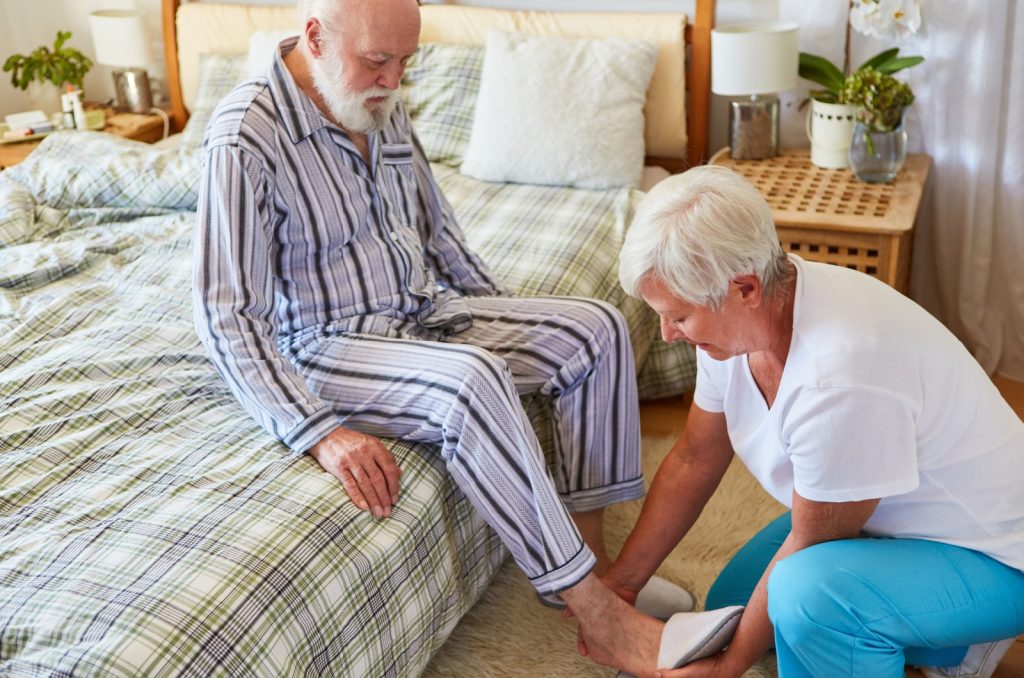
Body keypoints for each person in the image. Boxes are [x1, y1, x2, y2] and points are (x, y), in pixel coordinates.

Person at [191, 0, 695, 672]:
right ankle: (595, 613)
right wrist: (319, 432)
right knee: (471, 378)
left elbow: (441, 238)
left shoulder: (381, 99)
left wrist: (513, 324)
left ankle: (596, 563)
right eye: (378, 59)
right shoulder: (244, 136)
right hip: (326, 344)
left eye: (407, 60)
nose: (394, 79)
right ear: (314, 36)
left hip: (421, 310)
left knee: (593, 329)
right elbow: (226, 312)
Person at [610, 165, 1024, 677]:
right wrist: (621, 586)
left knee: (806, 600)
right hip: (890, 522)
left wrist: (727, 669)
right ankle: (942, 643)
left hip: (994, 554)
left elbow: (811, 542)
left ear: (744, 289)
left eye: (678, 316)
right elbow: (695, 458)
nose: (668, 333)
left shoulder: (839, 375)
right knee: (729, 605)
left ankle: (960, 632)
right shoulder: (733, 325)